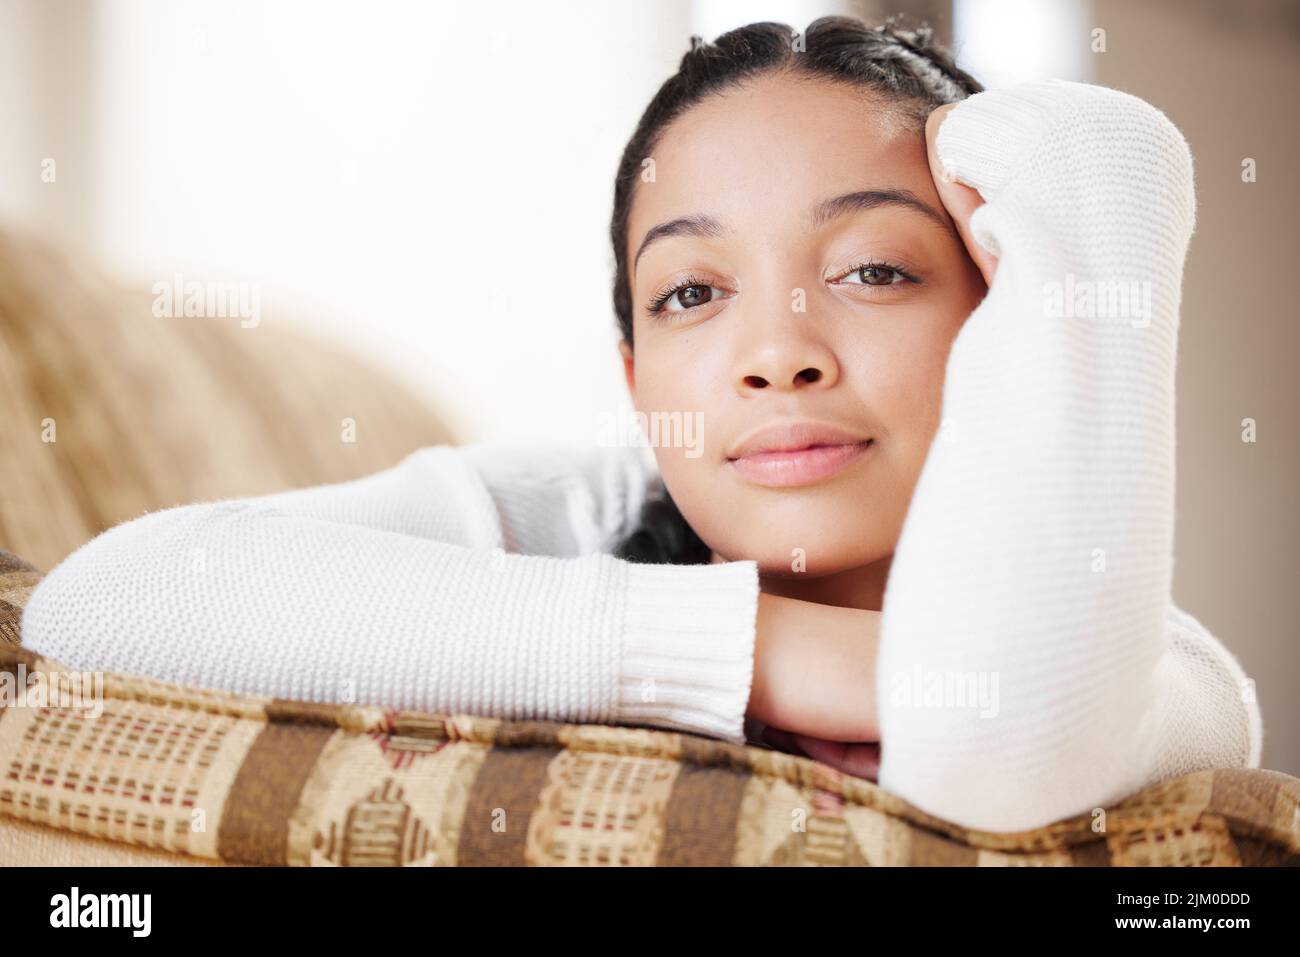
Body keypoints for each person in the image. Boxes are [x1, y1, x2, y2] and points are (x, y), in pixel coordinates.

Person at [20, 16, 1261, 833]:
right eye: (691, 293)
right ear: (635, 380)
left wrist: (1103, 214)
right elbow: (108, 601)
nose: (777, 353)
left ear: (999, 323)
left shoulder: (1145, 660)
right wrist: (772, 650)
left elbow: (997, 749)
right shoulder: (582, 508)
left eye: (874, 270)